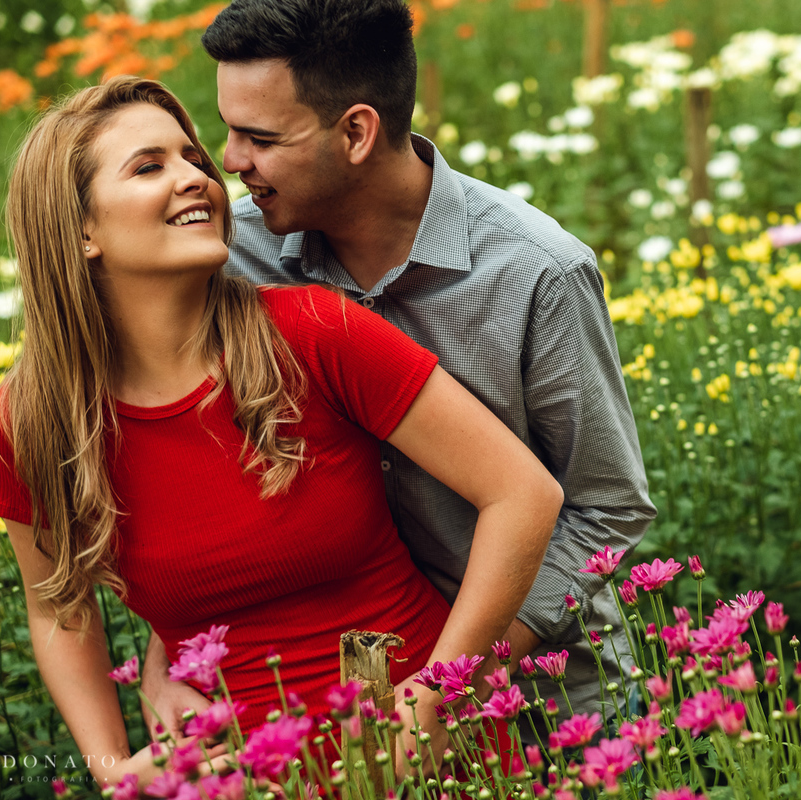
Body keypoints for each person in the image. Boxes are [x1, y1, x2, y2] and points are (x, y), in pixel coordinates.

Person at [0, 76, 563, 788]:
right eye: (149, 166)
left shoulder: (315, 332)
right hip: (232, 778)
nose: (198, 177)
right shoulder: (30, 419)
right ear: (79, 232)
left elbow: (523, 492)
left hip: (421, 752)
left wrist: (438, 694)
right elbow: (58, 613)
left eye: (191, 157)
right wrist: (116, 772)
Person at [140, 0, 656, 751]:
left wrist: (451, 679)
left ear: (355, 131)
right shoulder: (234, 260)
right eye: (228, 131)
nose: (231, 160)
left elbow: (605, 510)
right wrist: (163, 658)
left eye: (259, 138)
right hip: (336, 719)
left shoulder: (538, 271)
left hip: (553, 705)